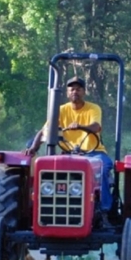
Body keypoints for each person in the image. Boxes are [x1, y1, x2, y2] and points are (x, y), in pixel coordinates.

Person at [25, 76, 113, 218]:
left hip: (94, 153)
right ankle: (45, 209)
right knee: (48, 170)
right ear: (67, 93)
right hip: (68, 153)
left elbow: (96, 126)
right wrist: (33, 148)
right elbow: (44, 131)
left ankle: (105, 209)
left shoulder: (93, 108)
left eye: (78, 89)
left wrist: (80, 126)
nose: (75, 92)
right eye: (72, 89)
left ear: (84, 92)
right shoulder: (60, 110)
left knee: (102, 168)